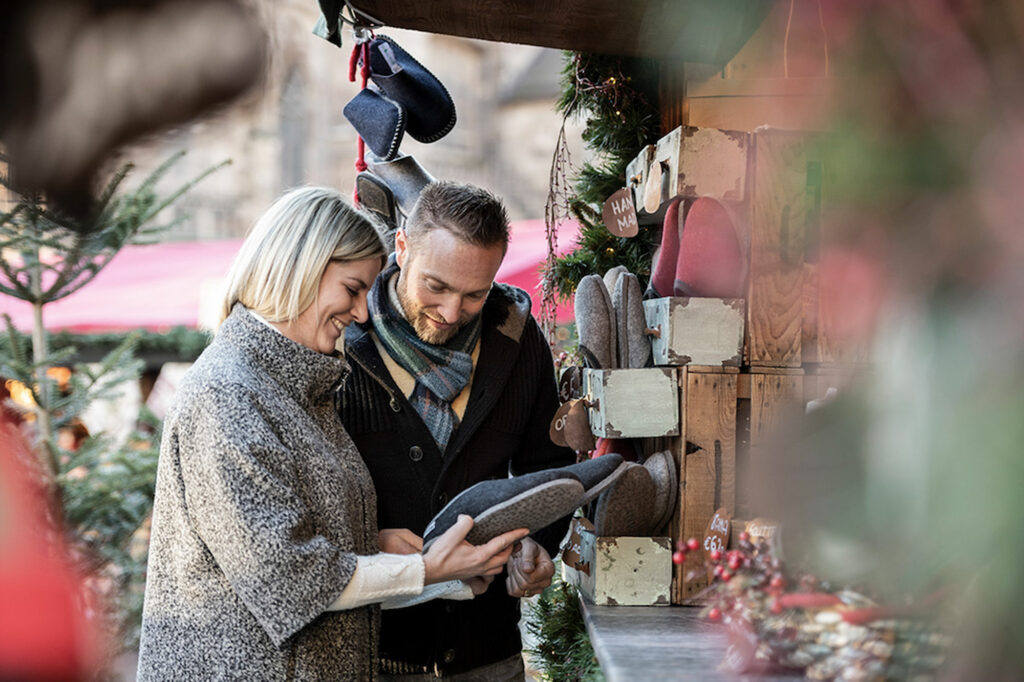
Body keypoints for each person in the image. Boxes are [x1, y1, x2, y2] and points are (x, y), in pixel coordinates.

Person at [136, 186, 528, 681]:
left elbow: (315, 556)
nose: (362, 313)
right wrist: (427, 572)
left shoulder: (296, 383)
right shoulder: (226, 393)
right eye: (352, 289)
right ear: (299, 268)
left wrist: (428, 566)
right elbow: (286, 579)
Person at [338, 181, 575, 679]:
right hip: (370, 655)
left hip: (487, 649)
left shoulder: (517, 338)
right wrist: (364, 543)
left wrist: (538, 543)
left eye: (475, 294)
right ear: (401, 247)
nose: (450, 313)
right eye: (436, 287)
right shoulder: (339, 341)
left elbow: (547, 468)